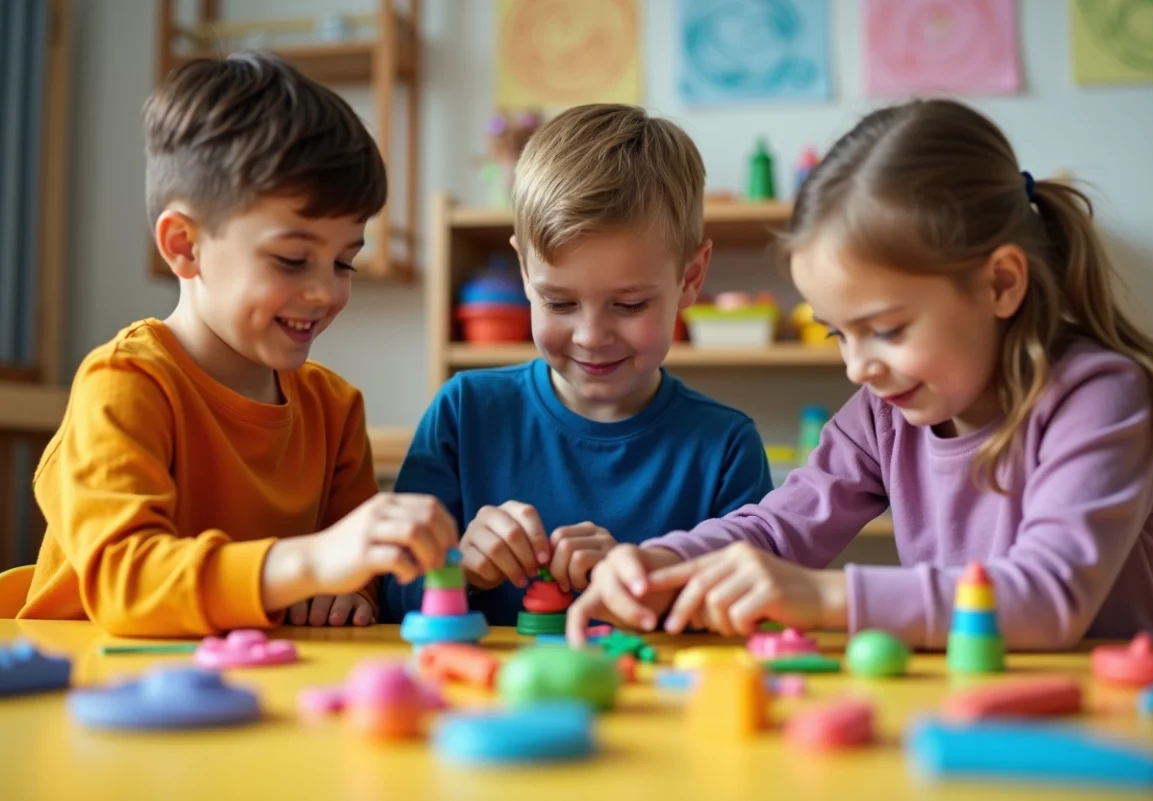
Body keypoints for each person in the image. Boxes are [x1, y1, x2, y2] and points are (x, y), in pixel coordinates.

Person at [567, 98, 1153, 650]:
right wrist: (659, 560)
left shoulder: (1101, 397)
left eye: (886, 329)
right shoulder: (884, 415)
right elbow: (777, 528)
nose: (858, 368)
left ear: (1000, 284)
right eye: (837, 333)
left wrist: (824, 597)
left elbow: (1049, 597)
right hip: (969, 713)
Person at [18, 51, 456, 636]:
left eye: (344, 261)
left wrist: (350, 588)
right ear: (184, 246)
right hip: (84, 691)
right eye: (293, 260)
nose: (325, 291)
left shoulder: (334, 409)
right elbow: (126, 582)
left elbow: (351, 578)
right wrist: (315, 561)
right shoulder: (124, 385)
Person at [386, 104, 772, 625]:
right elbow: (388, 592)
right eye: (560, 304)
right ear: (524, 272)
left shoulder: (725, 447)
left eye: (630, 304)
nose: (591, 337)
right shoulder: (465, 412)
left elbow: (755, 610)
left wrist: (641, 581)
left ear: (690, 278)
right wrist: (460, 569)